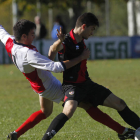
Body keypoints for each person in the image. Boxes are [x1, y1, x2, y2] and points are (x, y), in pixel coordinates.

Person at [1, 20, 133, 140]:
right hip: (49, 86)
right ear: (23, 36)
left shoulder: (10, 42)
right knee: (87, 105)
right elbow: (56, 67)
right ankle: (122, 131)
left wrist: (59, 43)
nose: (34, 36)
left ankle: (16, 134)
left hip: (39, 85)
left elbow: (1, 31)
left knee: (45, 112)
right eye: (31, 34)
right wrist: (81, 57)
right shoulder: (27, 54)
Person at [42, 13, 140, 140]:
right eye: (92, 29)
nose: (92, 33)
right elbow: (53, 49)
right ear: (84, 26)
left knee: (119, 103)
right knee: (69, 110)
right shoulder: (66, 40)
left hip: (87, 84)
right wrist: (59, 44)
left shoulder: (81, 40)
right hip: (71, 86)